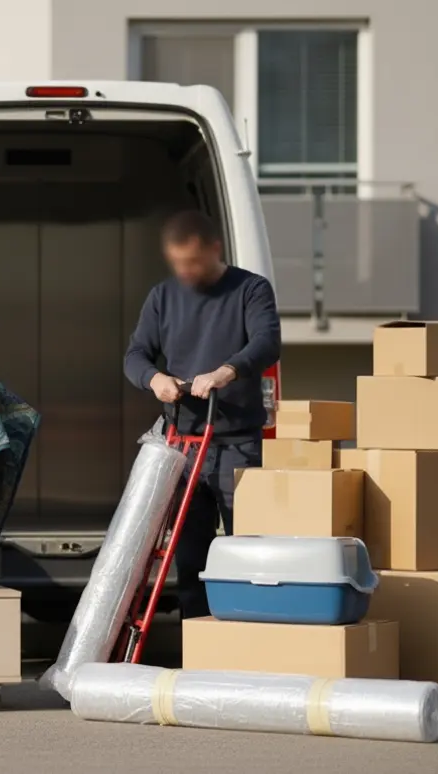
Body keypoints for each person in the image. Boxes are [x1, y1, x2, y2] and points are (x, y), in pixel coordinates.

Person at [123, 209, 282, 619]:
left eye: (193, 261)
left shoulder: (250, 289)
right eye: (178, 263)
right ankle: (196, 641)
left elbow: (267, 342)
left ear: (215, 249)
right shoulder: (163, 297)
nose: (186, 271)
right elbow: (135, 355)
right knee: (190, 559)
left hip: (238, 445)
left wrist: (227, 371)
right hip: (184, 445)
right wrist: (154, 378)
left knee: (249, 551)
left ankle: (251, 638)